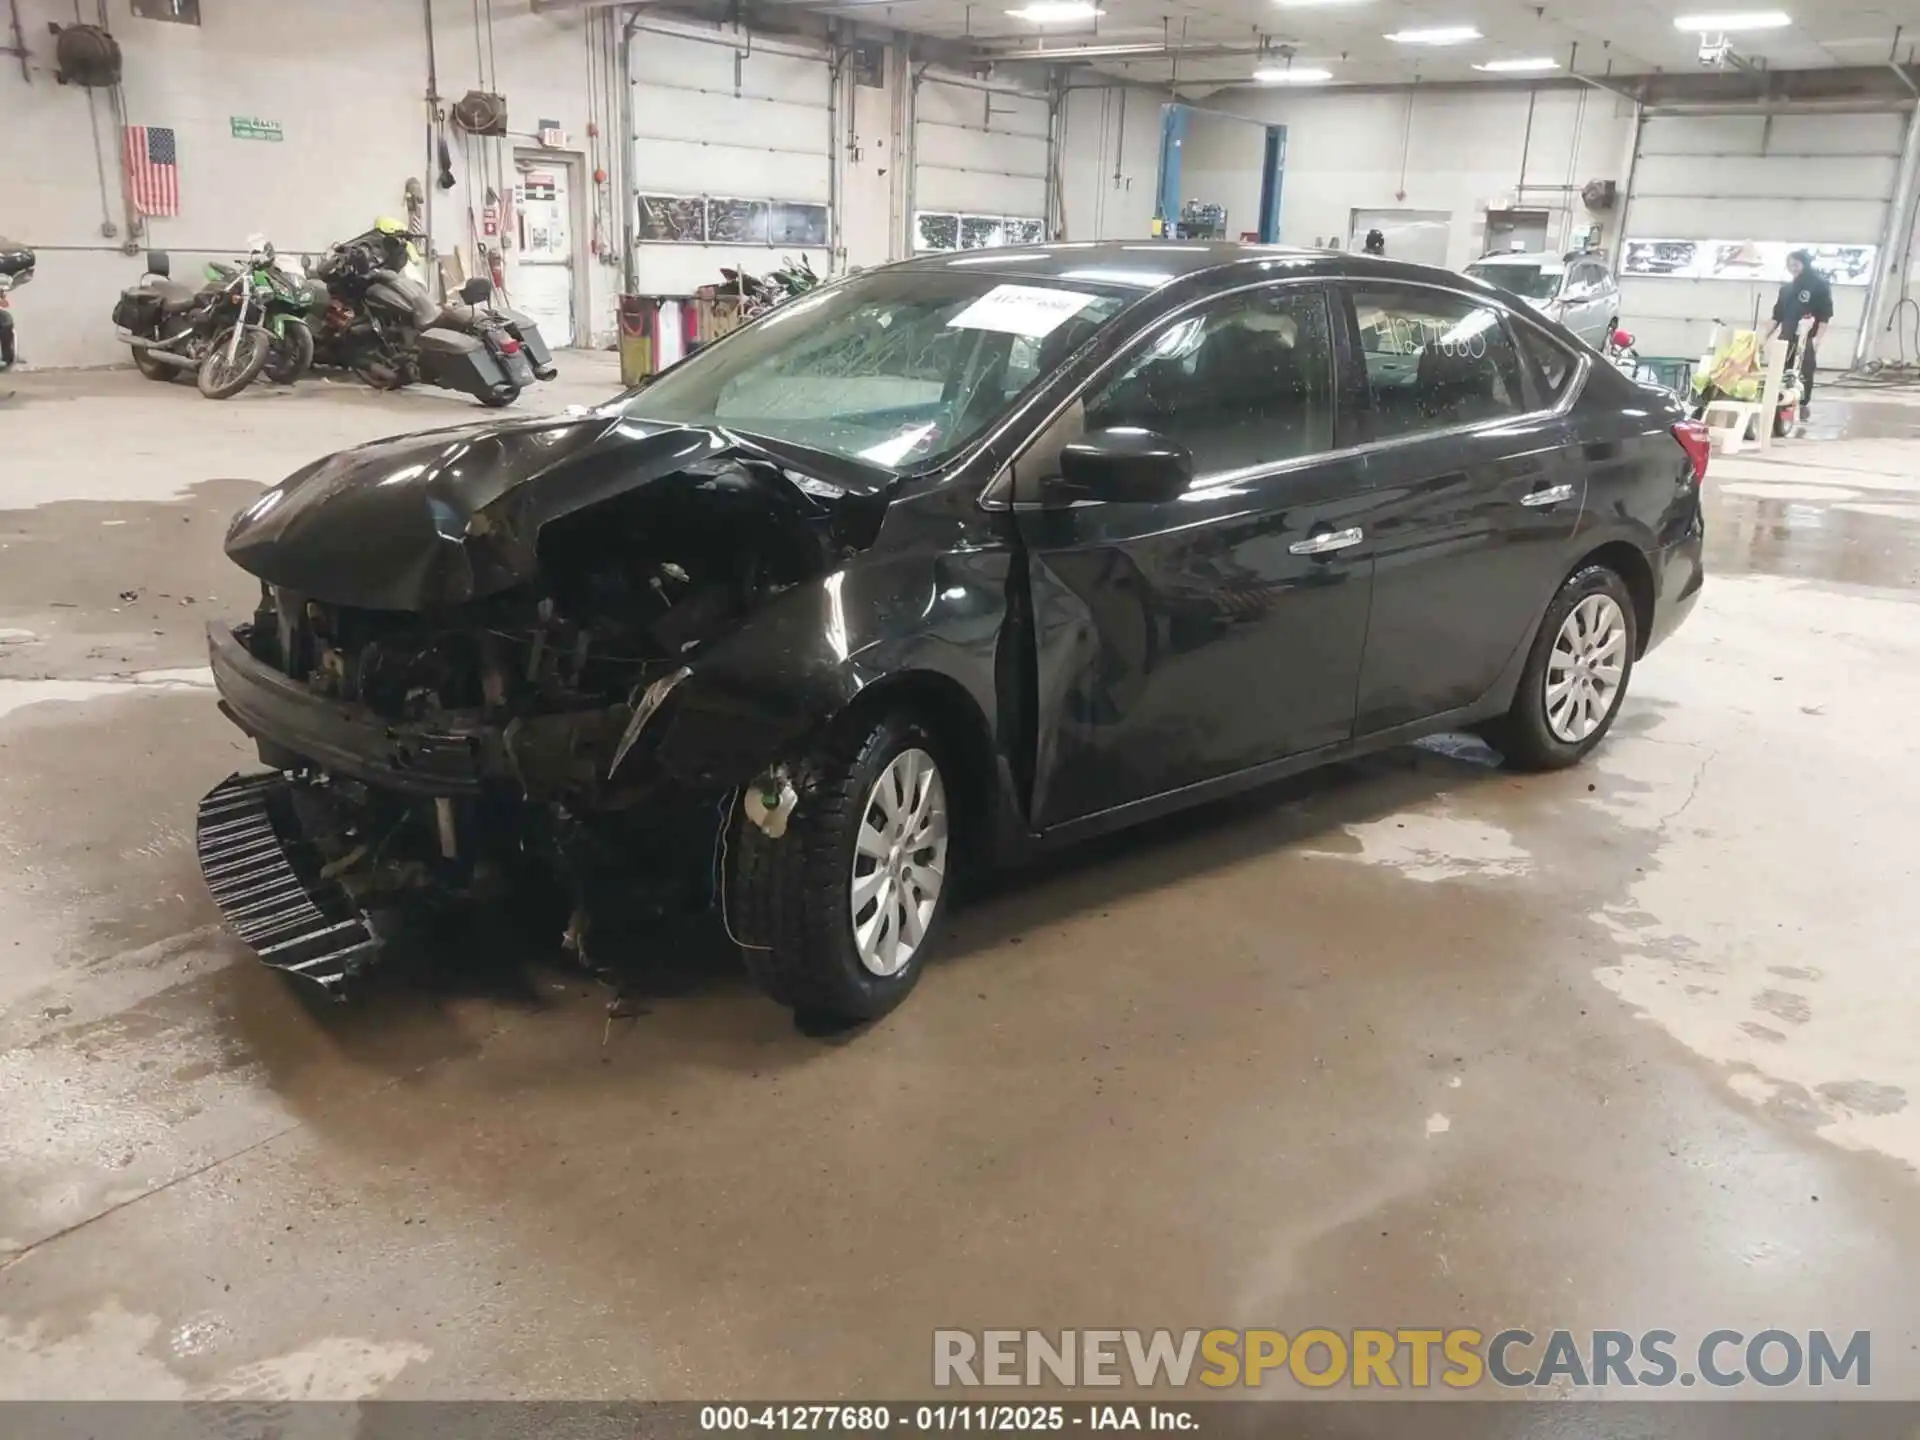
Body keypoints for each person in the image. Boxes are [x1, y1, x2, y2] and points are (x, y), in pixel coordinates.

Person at [1766, 249, 1832, 416]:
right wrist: (1763, 336)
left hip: (1806, 337)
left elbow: (1824, 316)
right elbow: (1777, 316)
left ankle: (1801, 405)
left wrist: (1817, 339)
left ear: (1805, 264)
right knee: (1781, 370)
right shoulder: (1786, 290)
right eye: (1789, 265)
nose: (1792, 268)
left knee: (1804, 371)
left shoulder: (1819, 285)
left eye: (1795, 264)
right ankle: (1780, 402)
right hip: (1786, 337)